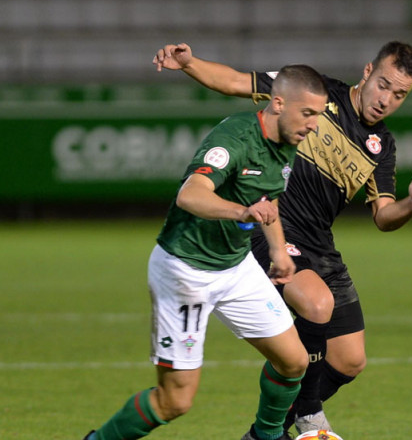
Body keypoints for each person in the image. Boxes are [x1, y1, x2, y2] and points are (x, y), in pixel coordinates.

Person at [152, 41, 412, 435]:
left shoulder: (382, 147)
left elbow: (384, 217)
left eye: (399, 94)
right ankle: (309, 413)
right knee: (316, 304)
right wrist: (188, 64)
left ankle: (264, 433)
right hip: (272, 226)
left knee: (350, 359)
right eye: (384, 85)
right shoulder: (315, 92)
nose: (386, 100)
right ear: (368, 70)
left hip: (319, 244)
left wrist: (411, 203)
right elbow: (237, 82)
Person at [83, 65, 329, 440]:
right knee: (174, 402)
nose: (314, 124)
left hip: (235, 266)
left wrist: (279, 251)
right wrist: (241, 212)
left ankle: (264, 436)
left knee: (294, 361)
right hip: (187, 272)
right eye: (308, 113)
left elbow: (267, 201)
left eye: (319, 115)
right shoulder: (235, 137)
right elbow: (191, 194)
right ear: (278, 103)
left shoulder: (287, 143)